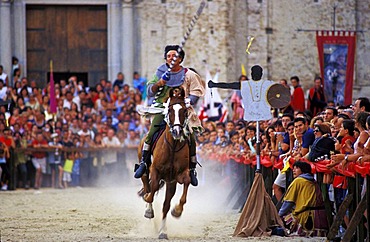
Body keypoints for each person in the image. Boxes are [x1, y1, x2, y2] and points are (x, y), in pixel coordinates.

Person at [134, 45, 205, 186]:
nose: (172, 58)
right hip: (163, 109)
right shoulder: (160, 72)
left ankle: (191, 169)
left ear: (180, 59)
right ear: (166, 59)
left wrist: (188, 101)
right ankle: (144, 162)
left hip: (182, 109)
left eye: (175, 56)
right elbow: (149, 91)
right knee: (152, 132)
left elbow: (196, 92)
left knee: (190, 136)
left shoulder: (189, 74)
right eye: (169, 56)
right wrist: (160, 83)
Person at [278, 161, 328, 236]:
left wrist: (278, 216)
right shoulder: (314, 181)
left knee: (281, 222)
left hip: (307, 218)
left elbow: (288, 202)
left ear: (303, 170)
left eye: (297, 168)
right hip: (320, 217)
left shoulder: (298, 181)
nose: (293, 170)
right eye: (293, 168)